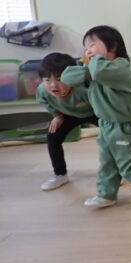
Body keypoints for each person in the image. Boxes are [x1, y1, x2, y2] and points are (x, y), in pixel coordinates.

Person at [61, 26, 131, 208]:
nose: (88, 51)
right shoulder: (94, 68)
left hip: (125, 126)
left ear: (112, 46)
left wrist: (93, 65)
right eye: (85, 47)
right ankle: (106, 194)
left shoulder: (120, 66)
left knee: (129, 166)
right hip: (106, 125)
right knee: (107, 164)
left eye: (92, 45)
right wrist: (89, 67)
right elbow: (67, 77)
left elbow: (99, 72)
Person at [35, 52, 98, 191]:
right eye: (47, 80)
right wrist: (57, 116)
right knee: (52, 137)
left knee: (112, 136)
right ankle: (60, 175)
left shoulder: (83, 89)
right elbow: (46, 102)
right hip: (69, 115)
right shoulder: (42, 91)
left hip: (95, 112)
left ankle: (118, 171)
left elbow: (101, 102)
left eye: (59, 79)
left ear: (72, 77)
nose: (53, 85)